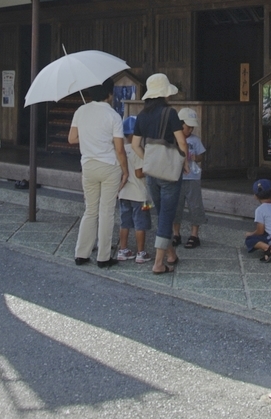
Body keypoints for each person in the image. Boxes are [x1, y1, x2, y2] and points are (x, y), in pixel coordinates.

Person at [131, 73, 188, 275]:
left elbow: (135, 144)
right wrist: (185, 161)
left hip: (151, 173)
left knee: (162, 212)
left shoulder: (141, 115)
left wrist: (148, 159)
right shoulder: (170, 113)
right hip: (169, 173)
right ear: (164, 93)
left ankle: (171, 254)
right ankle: (158, 263)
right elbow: (182, 142)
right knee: (166, 216)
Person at [68, 78, 128, 268]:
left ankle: (81, 253)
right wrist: (125, 171)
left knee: (90, 210)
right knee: (106, 212)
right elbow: (120, 149)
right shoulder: (113, 116)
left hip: (88, 165)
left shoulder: (80, 111)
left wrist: (89, 137)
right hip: (109, 166)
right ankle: (103, 257)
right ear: (109, 94)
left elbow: (72, 139)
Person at [116, 115, 152, 263]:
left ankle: (123, 250)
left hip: (124, 193)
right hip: (140, 195)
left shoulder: (121, 150)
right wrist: (151, 169)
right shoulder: (138, 150)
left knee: (124, 222)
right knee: (140, 224)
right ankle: (141, 252)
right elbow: (139, 173)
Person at [171, 107, 207, 249]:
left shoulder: (195, 140)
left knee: (195, 206)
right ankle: (176, 233)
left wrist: (194, 157)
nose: (190, 130)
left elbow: (201, 156)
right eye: (188, 127)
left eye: (192, 127)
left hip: (192, 177)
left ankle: (194, 235)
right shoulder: (173, 139)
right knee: (176, 206)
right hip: (176, 177)